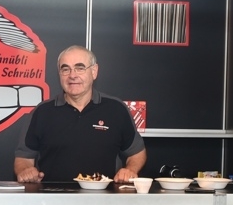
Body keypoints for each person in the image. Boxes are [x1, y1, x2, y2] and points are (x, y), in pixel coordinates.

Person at [14, 45, 146, 184]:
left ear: (94, 72)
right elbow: (23, 158)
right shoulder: (42, 112)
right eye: (65, 69)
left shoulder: (116, 109)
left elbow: (137, 153)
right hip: (52, 196)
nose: (72, 75)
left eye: (80, 68)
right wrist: (25, 170)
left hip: (104, 196)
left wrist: (130, 170)